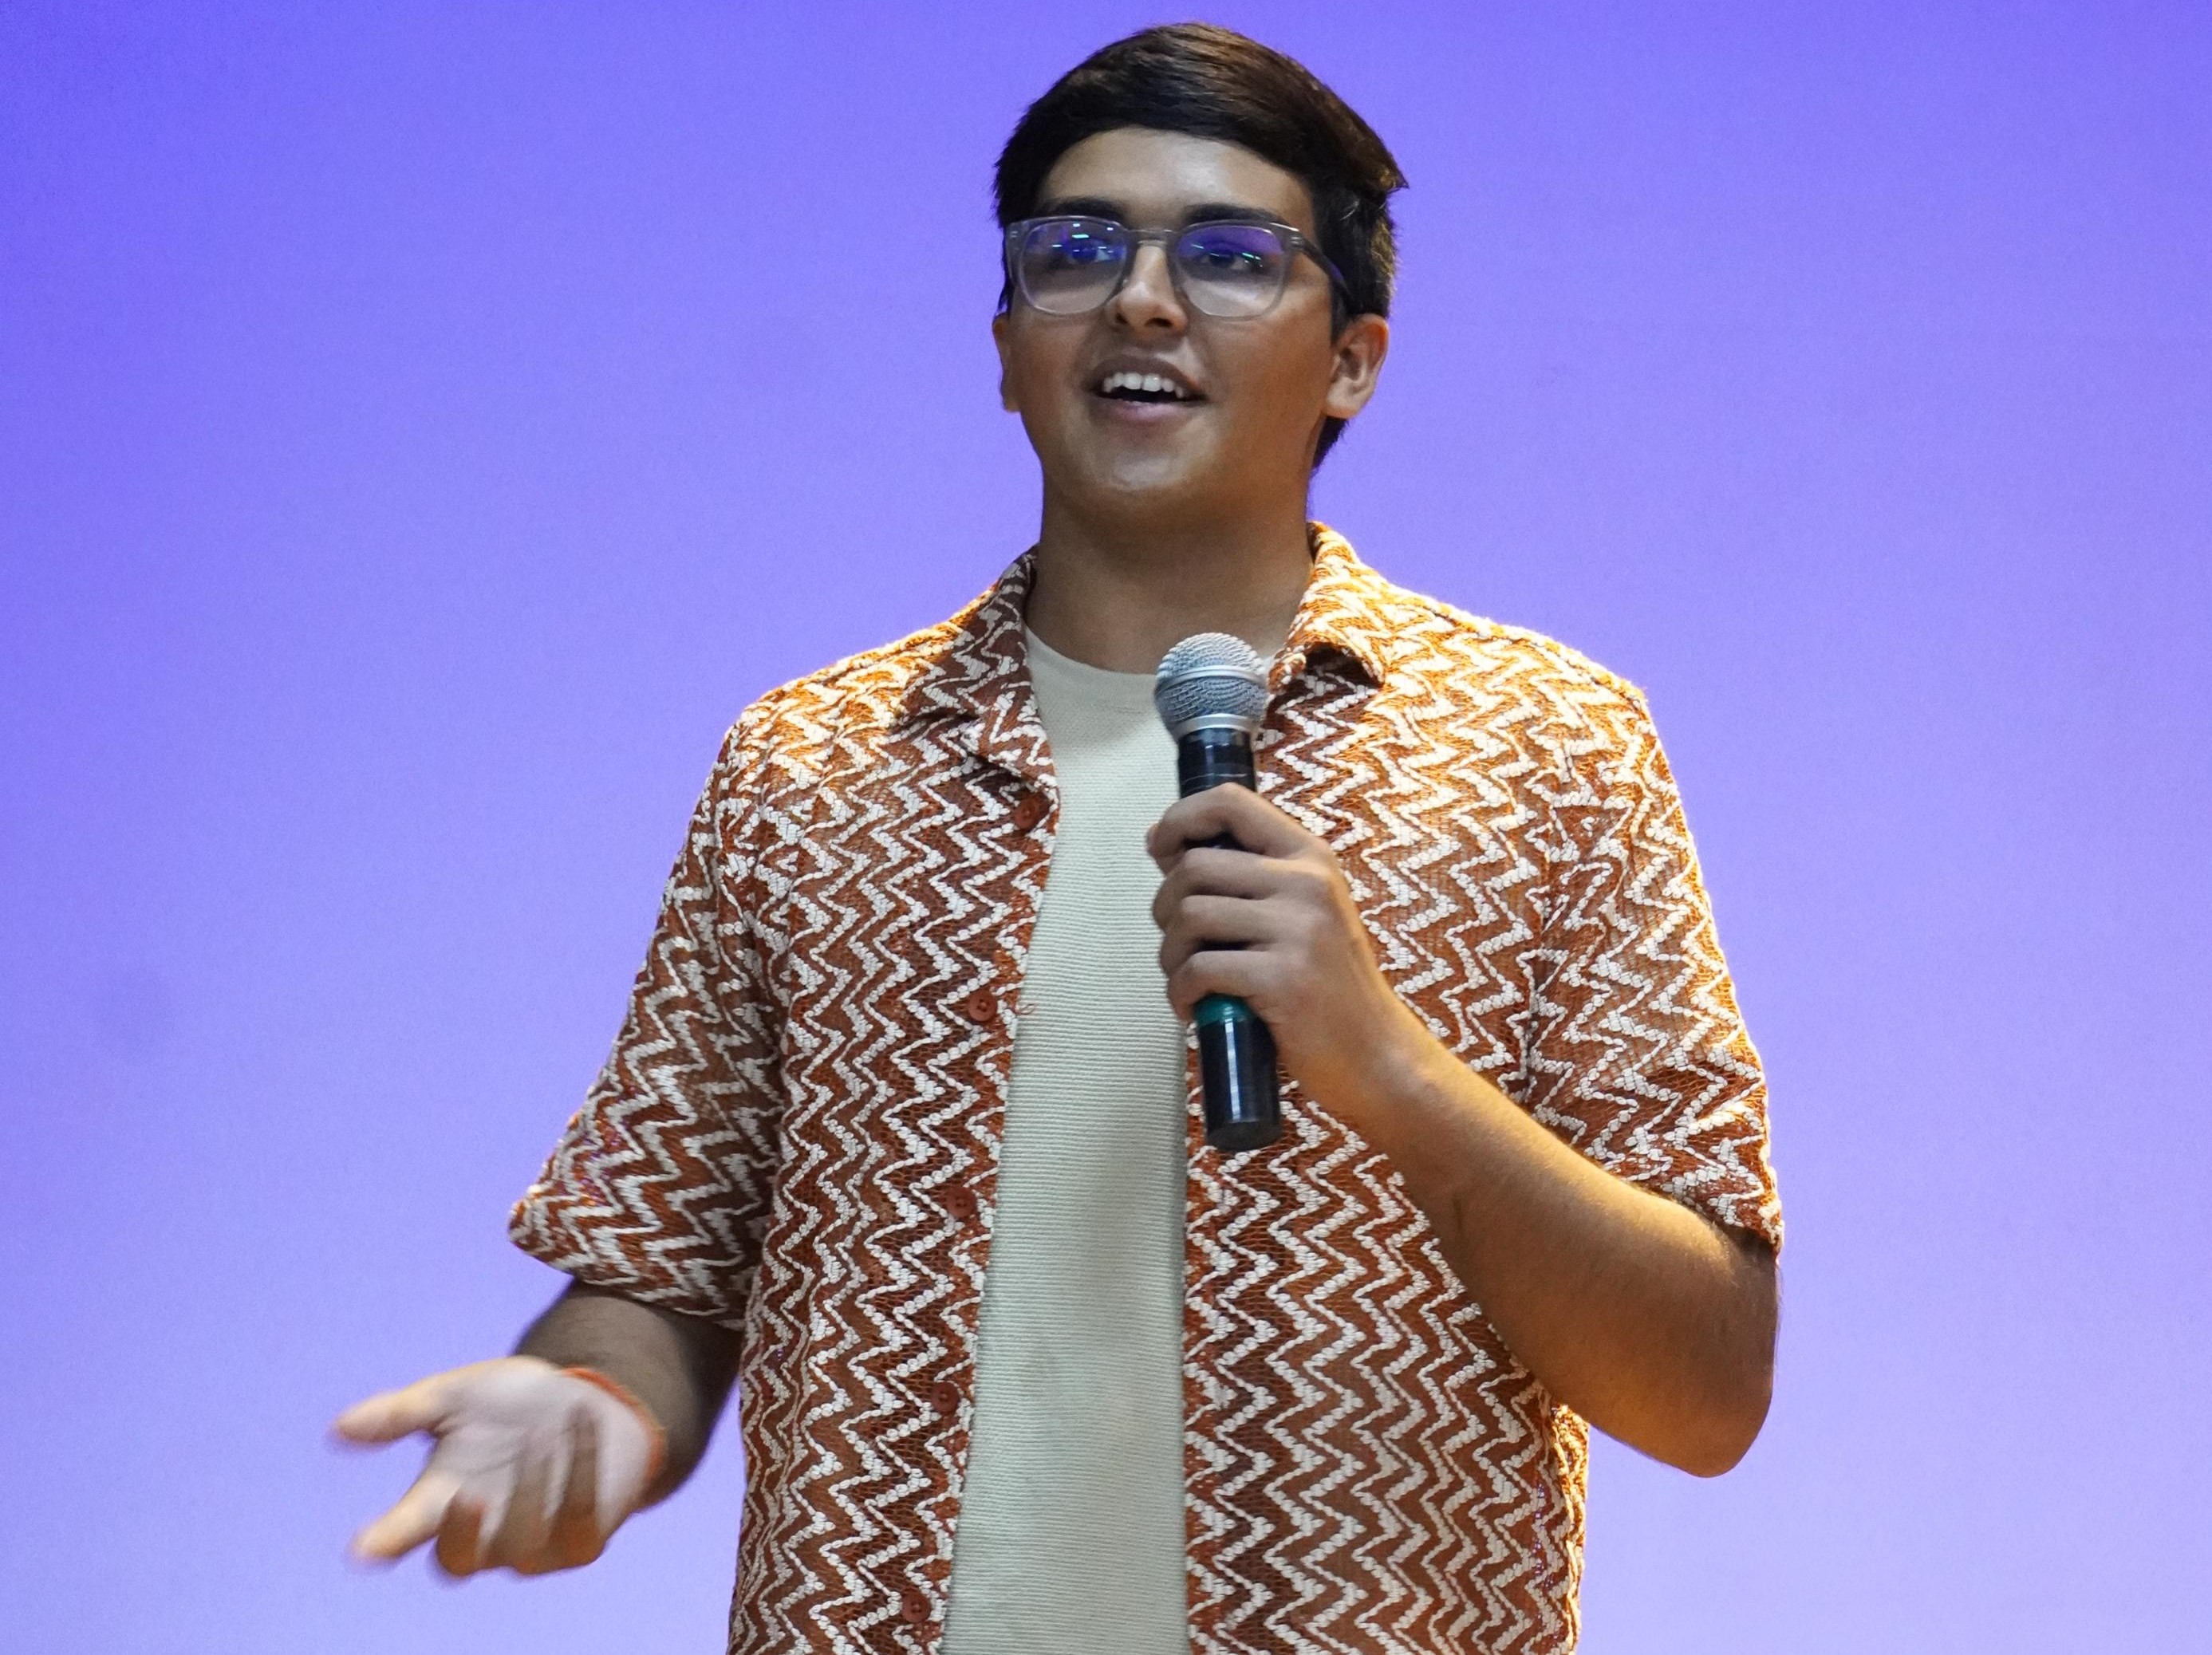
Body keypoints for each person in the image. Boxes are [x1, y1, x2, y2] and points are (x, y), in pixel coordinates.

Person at [335, 23, 1780, 1655]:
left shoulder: (1546, 749)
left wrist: (1391, 1071)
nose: (1142, 299)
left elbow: (1709, 1382)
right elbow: (661, 1273)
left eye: (1229, 256)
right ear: (1008, 336)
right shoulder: (806, 771)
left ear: (1355, 357)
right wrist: (587, 1400)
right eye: (1077, 249)